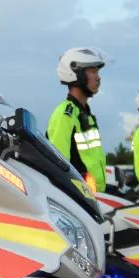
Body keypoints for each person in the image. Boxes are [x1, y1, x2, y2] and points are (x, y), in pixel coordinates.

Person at [46, 47, 106, 192]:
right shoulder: (65, 113)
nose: (98, 77)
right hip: (80, 195)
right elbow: (60, 164)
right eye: (92, 72)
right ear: (76, 73)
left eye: (97, 72)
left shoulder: (85, 113)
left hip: (95, 195)